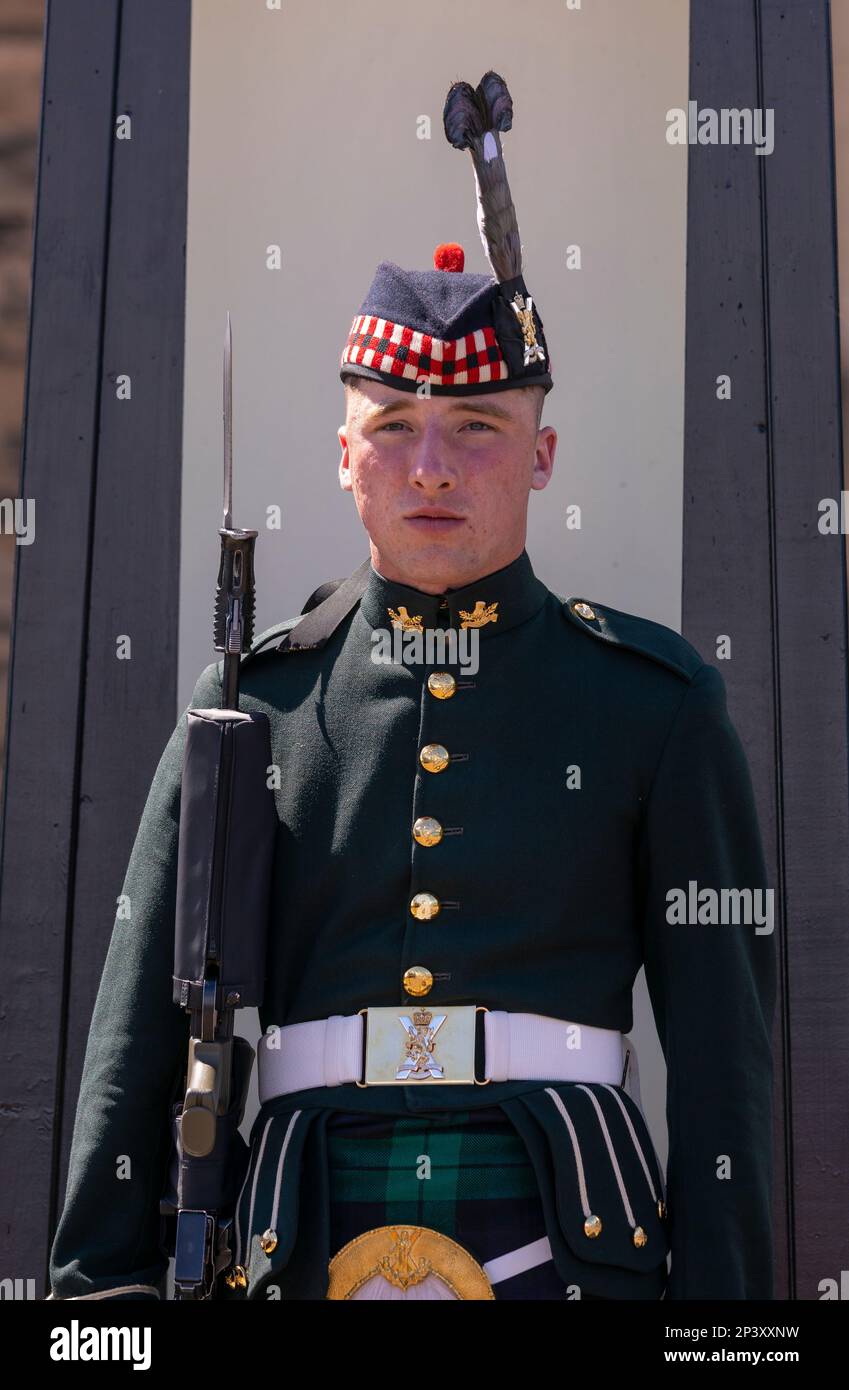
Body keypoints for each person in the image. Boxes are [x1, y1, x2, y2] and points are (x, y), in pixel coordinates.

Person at [48, 70, 775, 1302]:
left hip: (569, 1229)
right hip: (297, 1221)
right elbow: (136, 1054)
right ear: (344, 456)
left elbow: (726, 1072)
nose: (431, 467)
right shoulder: (252, 705)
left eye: (478, 429)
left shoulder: (654, 703)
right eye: (393, 427)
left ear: (542, 455)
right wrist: (97, 1319)